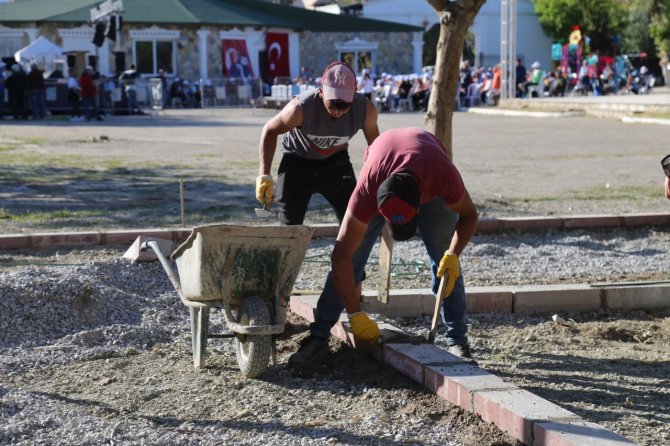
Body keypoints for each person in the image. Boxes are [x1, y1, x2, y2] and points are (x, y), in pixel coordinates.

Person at [288, 127, 479, 369]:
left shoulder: (442, 176)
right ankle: (318, 336)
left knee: (445, 262)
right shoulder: (368, 190)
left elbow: (470, 215)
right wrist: (355, 315)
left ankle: (457, 341)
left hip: (429, 171)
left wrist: (453, 254)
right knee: (352, 259)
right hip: (382, 170)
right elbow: (341, 256)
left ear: (420, 202)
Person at [256, 61, 379, 227]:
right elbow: (270, 130)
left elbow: (376, 146)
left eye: (344, 105)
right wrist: (264, 175)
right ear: (321, 92)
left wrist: (376, 179)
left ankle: (350, 253)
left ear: (355, 94)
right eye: (333, 104)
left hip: (336, 162)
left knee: (353, 218)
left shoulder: (366, 110)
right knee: (289, 226)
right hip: (297, 162)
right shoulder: (300, 108)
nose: (338, 111)